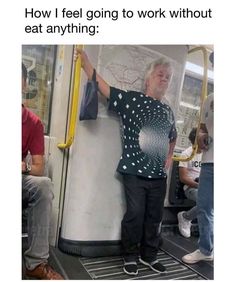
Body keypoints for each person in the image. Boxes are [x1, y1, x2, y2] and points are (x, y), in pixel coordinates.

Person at [74, 48, 177, 275]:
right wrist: (87, 65)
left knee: (154, 217)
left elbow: (173, 136)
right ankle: (130, 255)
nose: (164, 79)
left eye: (168, 77)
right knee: (135, 213)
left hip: (158, 174)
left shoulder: (168, 110)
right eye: (160, 74)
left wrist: (169, 157)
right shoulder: (133, 99)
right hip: (134, 170)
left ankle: (149, 256)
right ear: (149, 78)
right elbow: (106, 89)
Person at [22, 63, 63, 279]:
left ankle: (35, 264)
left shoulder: (33, 123)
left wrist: (22, 166)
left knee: (44, 184)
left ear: (24, 84)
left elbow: (37, 167)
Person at [182, 52, 214, 264]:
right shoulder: (209, 100)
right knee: (205, 207)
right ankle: (206, 249)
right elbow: (202, 128)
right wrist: (202, 136)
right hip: (211, 161)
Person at [177, 128, 202, 238]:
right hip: (191, 187)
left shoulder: (209, 154)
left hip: (206, 186)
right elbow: (183, 178)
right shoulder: (186, 153)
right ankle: (185, 217)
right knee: (207, 202)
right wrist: (200, 185)